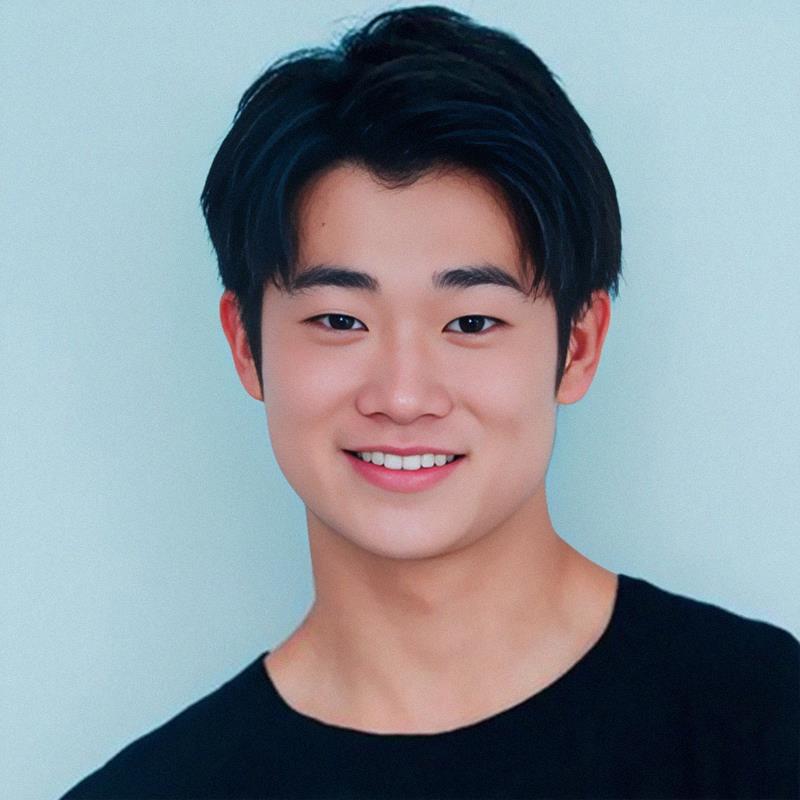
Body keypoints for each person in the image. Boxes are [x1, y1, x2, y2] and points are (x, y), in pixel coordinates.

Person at [60, 5, 799, 799]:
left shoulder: (763, 721)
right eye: (339, 320)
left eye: (471, 322)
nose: (403, 396)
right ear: (246, 344)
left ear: (578, 345)